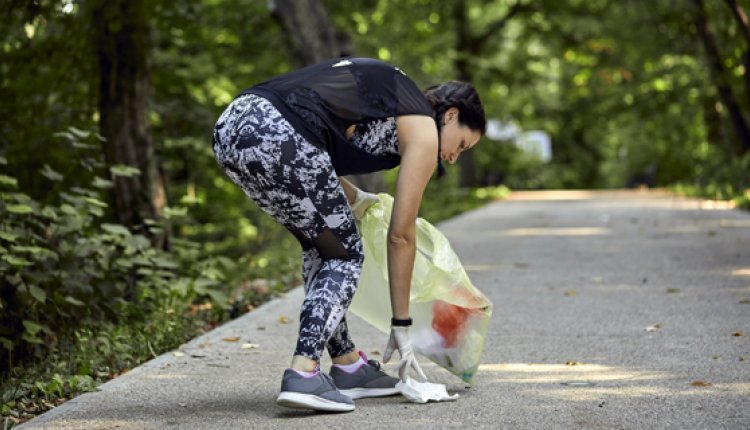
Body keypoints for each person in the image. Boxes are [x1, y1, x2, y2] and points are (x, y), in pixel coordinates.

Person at [212, 57, 486, 412]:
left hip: (234, 127)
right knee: (345, 254)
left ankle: (347, 364)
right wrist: (402, 327)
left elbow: (315, 143)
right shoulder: (422, 123)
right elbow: (401, 236)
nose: (453, 158)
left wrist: (358, 199)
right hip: (279, 132)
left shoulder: (390, 99)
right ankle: (304, 372)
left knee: (321, 248)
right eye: (462, 145)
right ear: (450, 115)